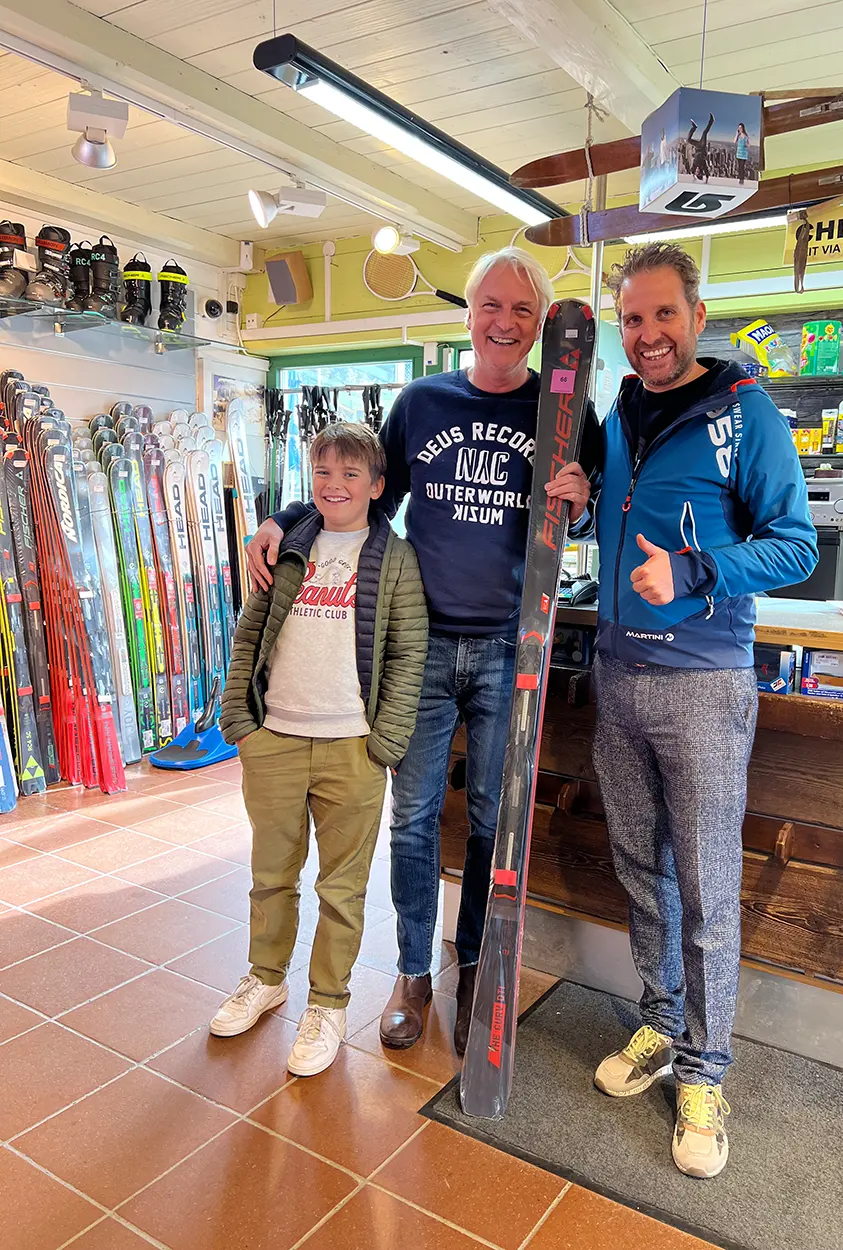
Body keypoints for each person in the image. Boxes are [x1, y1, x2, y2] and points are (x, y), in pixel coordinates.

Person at [246, 247, 599, 1057]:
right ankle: (412, 972)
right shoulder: (422, 402)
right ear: (469, 315)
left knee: (491, 823)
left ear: (542, 324)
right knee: (411, 818)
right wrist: (285, 518)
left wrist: (582, 505)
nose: (504, 322)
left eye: (522, 309)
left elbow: (588, 515)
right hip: (422, 646)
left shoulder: (566, 409)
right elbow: (363, 494)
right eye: (491, 306)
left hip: (514, 648)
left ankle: (474, 962)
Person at [586, 241, 817, 1178]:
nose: (647, 335)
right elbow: (618, 511)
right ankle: (659, 1022)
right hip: (616, 675)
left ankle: (705, 1071)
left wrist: (695, 570)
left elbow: (795, 545)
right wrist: (582, 498)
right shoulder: (619, 411)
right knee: (641, 869)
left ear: (698, 317)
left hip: (703, 684)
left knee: (707, 885)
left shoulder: (744, 413)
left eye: (663, 315)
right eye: (632, 319)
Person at [214, 422, 428, 1077]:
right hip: (274, 740)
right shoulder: (287, 547)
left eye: (350, 474)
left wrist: (385, 742)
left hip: (352, 751)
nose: (335, 485)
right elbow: (250, 632)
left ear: (377, 486)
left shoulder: (396, 558)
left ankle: (328, 1005)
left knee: (342, 888)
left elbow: (409, 653)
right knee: (271, 875)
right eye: (324, 473)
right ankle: (265, 978)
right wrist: (241, 723)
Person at [686, 112, 714, 182]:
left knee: (688, 140)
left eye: (696, 172)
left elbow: (692, 173)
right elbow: (707, 174)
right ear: (701, 172)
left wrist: (694, 177)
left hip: (697, 146)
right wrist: (706, 181)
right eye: (698, 172)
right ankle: (711, 121)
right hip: (702, 146)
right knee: (704, 133)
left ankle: (694, 127)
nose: (697, 170)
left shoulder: (694, 167)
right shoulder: (703, 165)